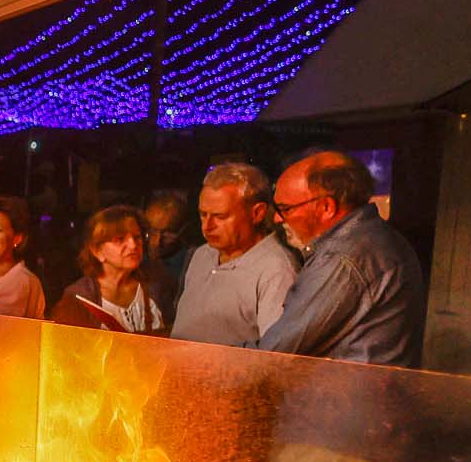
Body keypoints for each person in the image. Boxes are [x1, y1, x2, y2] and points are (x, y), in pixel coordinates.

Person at [254, 151, 424, 367]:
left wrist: (208, 358)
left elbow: (277, 350)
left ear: (326, 207)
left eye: (285, 208)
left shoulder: (343, 257)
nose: (277, 218)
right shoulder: (378, 237)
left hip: (347, 398)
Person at [171, 163, 298, 346]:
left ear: (257, 213)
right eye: (203, 215)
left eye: (220, 217)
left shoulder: (276, 270)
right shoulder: (202, 255)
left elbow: (275, 354)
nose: (207, 226)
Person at [51, 205, 169, 333]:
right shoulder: (78, 298)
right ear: (97, 251)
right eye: (119, 239)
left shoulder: (156, 284)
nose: (133, 245)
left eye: (137, 237)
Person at [143, 189, 194, 316]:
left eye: (167, 234)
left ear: (183, 230)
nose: (156, 242)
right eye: (151, 231)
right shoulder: (132, 255)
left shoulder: (193, 263)